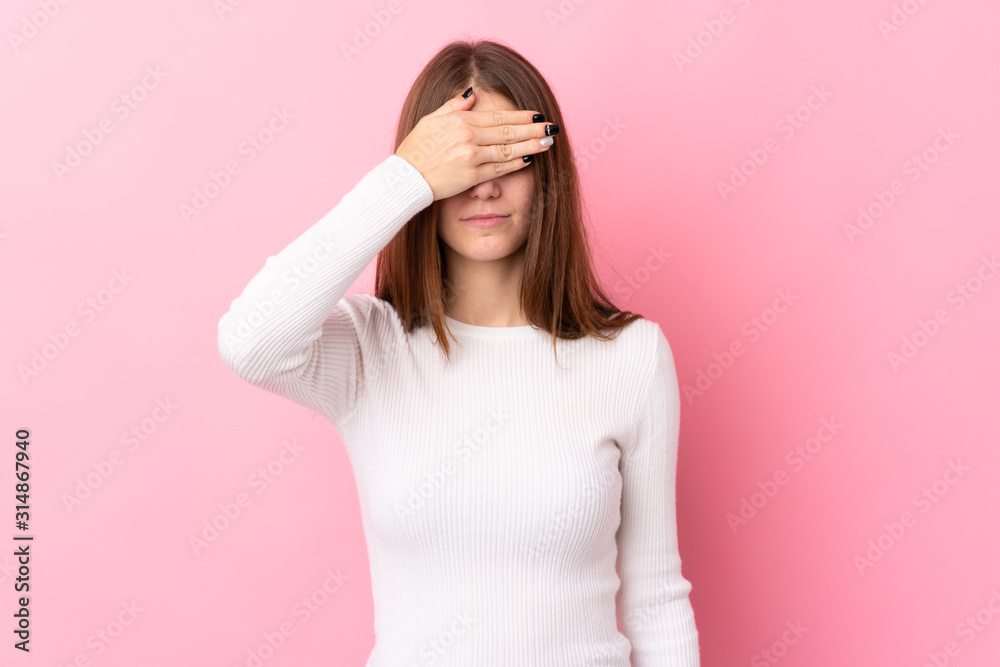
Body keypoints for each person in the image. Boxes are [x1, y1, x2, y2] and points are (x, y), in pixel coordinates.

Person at [218, 39, 700, 667]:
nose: (485, 186)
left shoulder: (631, 356)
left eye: (509, 155)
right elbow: (250, 341)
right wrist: (405, 178)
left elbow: (656, 599)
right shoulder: (370, 348)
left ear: (547, 170)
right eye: (464, 159)